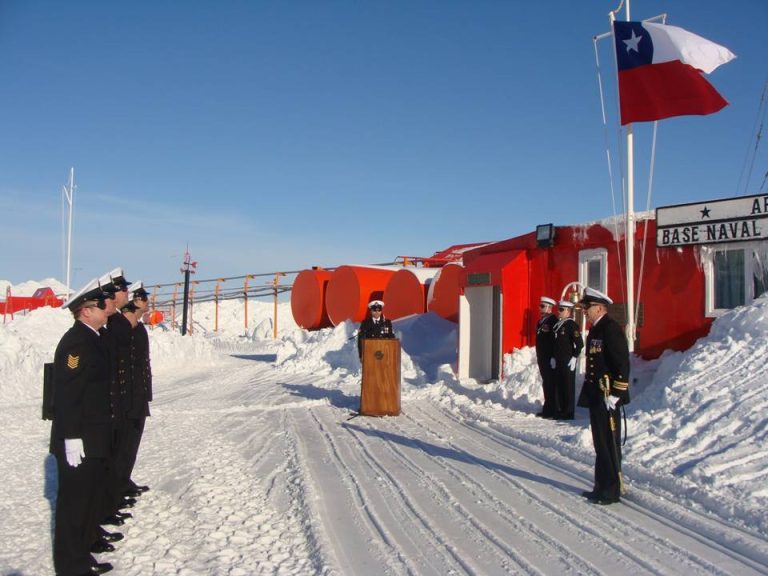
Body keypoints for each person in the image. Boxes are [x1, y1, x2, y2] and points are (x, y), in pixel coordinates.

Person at [50, 278, 115, 575]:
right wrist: (72, 436)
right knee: (73, 506)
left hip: (93, 435)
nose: (107, 308)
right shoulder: (77, 341)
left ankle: (81, 555)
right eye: (101, 304)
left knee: (86, 501)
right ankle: (69, 565)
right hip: (79, 438)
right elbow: (68, 393)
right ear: (85, 311)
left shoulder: (93, 338)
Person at [577, 287, 630, 505]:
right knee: (600, 442)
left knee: (609, 442)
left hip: (608, 395)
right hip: (597, 395)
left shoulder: (610, 329)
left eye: (587, 308)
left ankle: (611, 490)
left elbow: (622, 363)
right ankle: (600, 486)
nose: (585, 312)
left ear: (600, 308)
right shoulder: (596, 330)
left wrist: (616, 393)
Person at [121, 282, 152, 498]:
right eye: (142, 297)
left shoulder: (139, 328)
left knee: (132, 442)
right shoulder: (123, 328)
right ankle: (117, 484)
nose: (147, 301)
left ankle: (124, 479)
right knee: (123, 443)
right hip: (127, 396)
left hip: (138, 396)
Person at [551, 300, 584, 420]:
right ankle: (561, 409)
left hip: (567, 360)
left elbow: (580, 344)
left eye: (561, 310)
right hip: (559, 360)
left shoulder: (571, 325)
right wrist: (554, 357)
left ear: (568, 311)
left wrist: (575, 357)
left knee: (568, 386)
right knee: (559, 385)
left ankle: (569, 412)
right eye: (558, 309)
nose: (558, 312)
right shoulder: (559, 325)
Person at [535, 296, 557, 418]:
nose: (540, 308)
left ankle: (551, 410)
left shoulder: (553, 321)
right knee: (546, 383)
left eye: (543, 306)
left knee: (550, 383)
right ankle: (547, 408)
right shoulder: (541, 321)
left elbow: (554, 340)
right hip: (542, 357)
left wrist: (553, 356)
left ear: (550, 308)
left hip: (549, 358)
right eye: (540, 306)